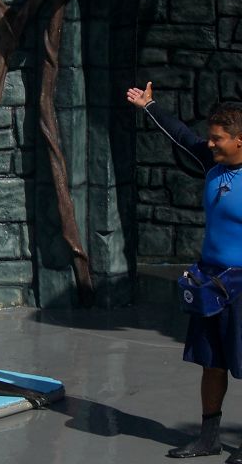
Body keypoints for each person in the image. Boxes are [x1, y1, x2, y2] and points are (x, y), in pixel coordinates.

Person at [127, 82, 242, 463]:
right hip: (211, 280)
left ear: (239, 140)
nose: (210, 144)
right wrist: (149, 106)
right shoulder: (213, 164)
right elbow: (181, 136)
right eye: (211, 137)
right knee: (212, 362)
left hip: (241, 284)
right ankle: (209, 438)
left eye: (218, 139)